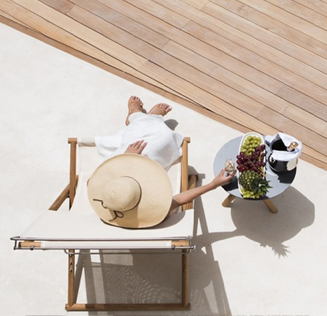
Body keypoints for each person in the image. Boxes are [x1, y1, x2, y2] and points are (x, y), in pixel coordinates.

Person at [86, 96, 235, 229]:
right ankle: (143, 117)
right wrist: (213, 184)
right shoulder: (152, 209)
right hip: (144, 174)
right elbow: (179, 199)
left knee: (134, 143)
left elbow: (90, 182)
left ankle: (137, 116)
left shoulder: (112, 198)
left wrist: (126, 157)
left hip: (120, 174)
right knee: (163, 138)